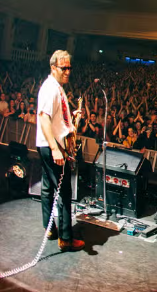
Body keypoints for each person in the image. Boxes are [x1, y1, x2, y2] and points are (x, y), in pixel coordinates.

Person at [36, 50, 85, 252]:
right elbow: (44, 117)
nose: (67, 71)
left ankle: (50, 229)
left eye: (69, 68)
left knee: (48, 187)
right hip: (52, 146)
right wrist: (56, 148)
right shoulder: (50, 89)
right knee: (64, 192)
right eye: (63, 68)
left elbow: (54, 117)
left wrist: (70, 117)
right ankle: (65, 238)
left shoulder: (57, 87)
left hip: (48, 145)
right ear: (53, 67)